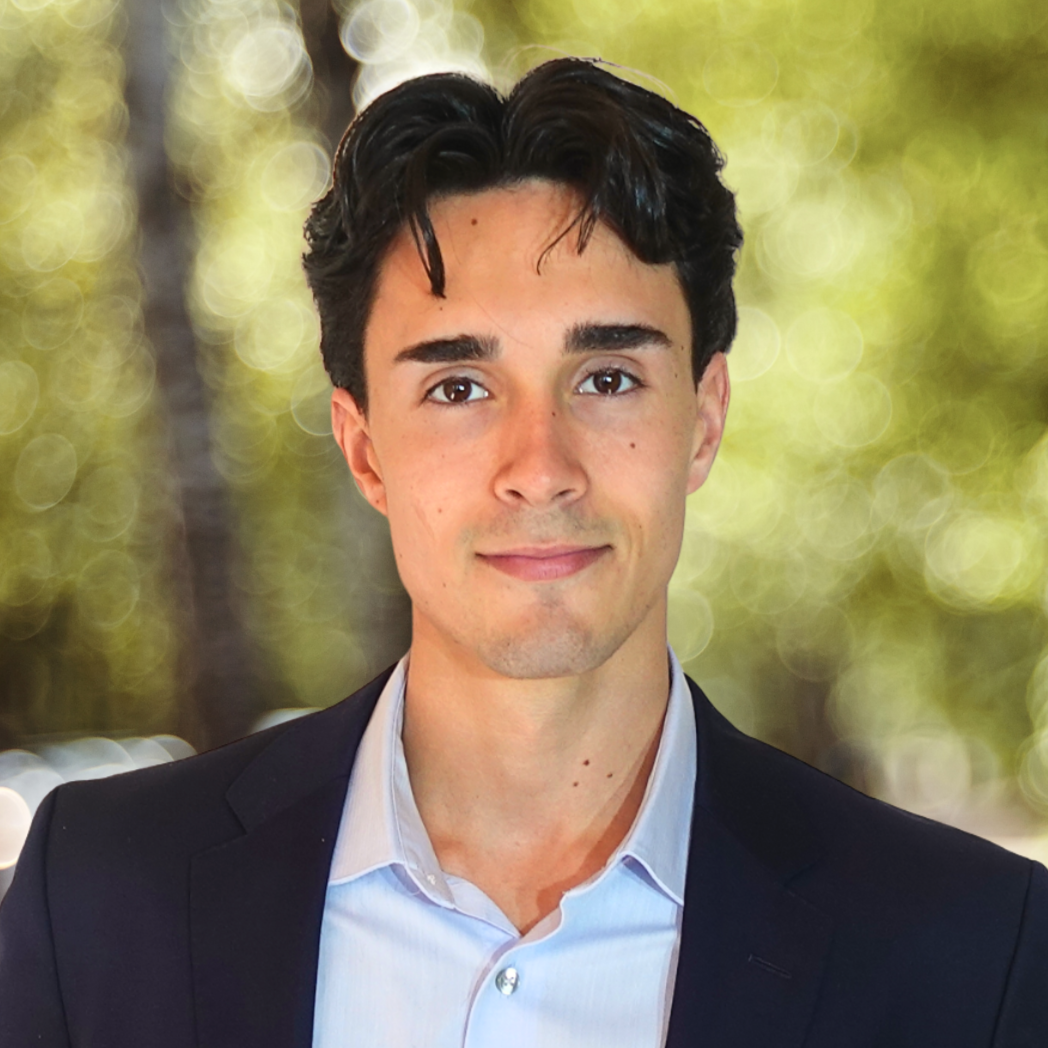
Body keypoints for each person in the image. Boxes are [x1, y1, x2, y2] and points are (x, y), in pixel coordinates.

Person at [0, 58, 1045, 1048]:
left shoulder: (974, 951)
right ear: (364, 450)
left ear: (704, 420)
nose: (539, 469)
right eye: (457, 387)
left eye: (607, 379)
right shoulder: (99, 893)